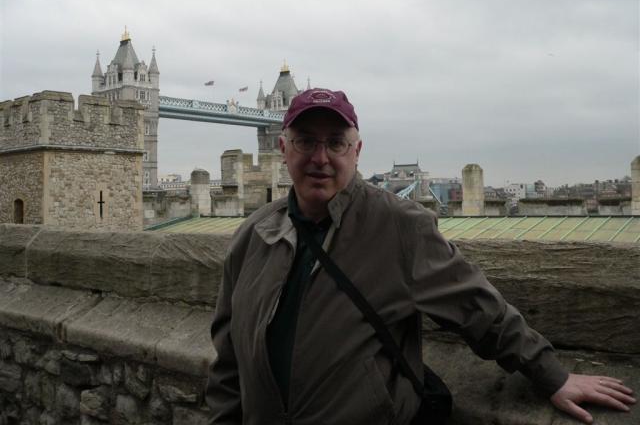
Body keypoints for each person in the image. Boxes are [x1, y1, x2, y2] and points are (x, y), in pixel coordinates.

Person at [206, 88, 635, 424]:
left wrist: (552, 376)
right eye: (306, 142)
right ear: (283, 149)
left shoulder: (398, 225)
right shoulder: (252, 235)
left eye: (336, 143)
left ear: (357, 152)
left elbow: (477, 307)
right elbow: (229, 356)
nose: (320, 157)